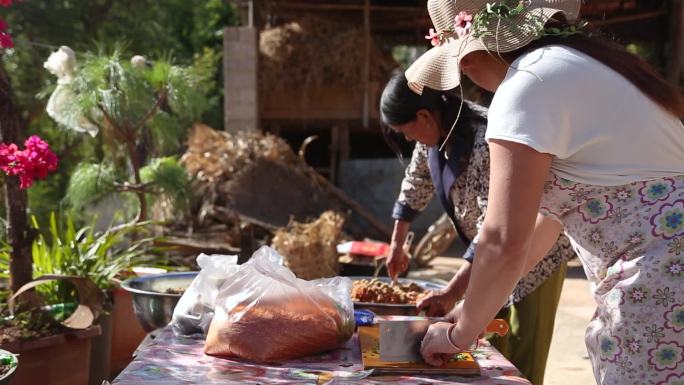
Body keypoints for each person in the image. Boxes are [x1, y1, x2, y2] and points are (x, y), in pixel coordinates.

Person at [406, 1, 684, 384]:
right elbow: (546, 221)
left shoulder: (527, 83)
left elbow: (504, 239)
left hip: (661, 290)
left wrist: (458, 335)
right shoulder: (587, 65)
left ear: (467, 58)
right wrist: (472, 310)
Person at [380, 72, 575, 384]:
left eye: (405, 131)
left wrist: (454, 291)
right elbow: (415, 184)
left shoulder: (488, 137)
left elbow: (496, 226)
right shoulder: (431, 138)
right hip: (491, 251)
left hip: (536, 252)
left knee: (523, 344)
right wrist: (397, 244)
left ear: (424, 116)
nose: (407, 138)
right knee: (486, 340)